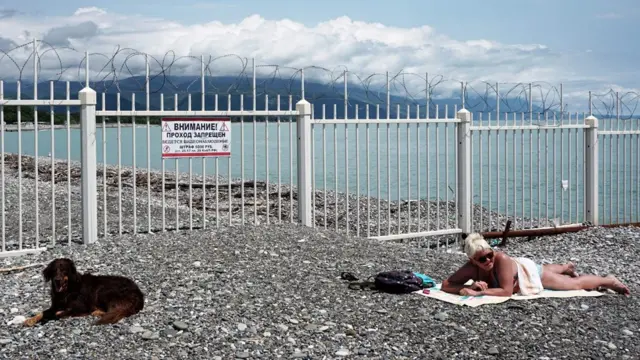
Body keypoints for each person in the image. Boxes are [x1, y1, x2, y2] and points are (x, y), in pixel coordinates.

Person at [441, 233, 630, 297]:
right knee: (548, 269)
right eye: (482, 259)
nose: (488, 260)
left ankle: (607, 280)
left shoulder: (502, 260)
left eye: (490, 255)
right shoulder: (470, 267)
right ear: (472, 260)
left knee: (574, 284)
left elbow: (506, 291)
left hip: (527, 271)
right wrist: (467, 287)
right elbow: (445, 284)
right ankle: (565, 267)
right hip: (520, 269)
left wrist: (478, 292)